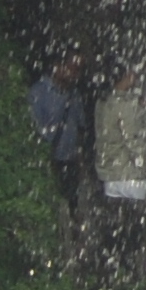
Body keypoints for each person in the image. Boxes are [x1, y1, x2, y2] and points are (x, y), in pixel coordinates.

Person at [29, 51, 91, 207]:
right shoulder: (39, 92)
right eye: (72, 68)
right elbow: (34, 128)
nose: (75, 74)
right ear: (57, 66)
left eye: (79, 70)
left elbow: (79, 128)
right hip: (48, 160)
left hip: (70, 162)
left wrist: (80, 160)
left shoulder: (74, 95)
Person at [94, 65, 146, 205]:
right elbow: (134, 141)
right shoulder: (124, 105)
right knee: (135, 221)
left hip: (109, 175)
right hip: (129, 176)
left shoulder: (102, 102)